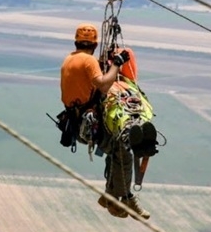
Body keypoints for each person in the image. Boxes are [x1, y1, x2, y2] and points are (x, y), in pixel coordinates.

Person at [60, 23, 156, 220]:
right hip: (89, 125)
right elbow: (103, 86)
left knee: (117, 150)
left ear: (76, 42)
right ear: (94, 45)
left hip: (78, 124)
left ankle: (110, 197)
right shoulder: (88, 61)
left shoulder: (70, 60)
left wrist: (106, 64)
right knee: (124, 150)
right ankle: (123, 198)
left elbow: (89, 78)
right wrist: (117, 64)